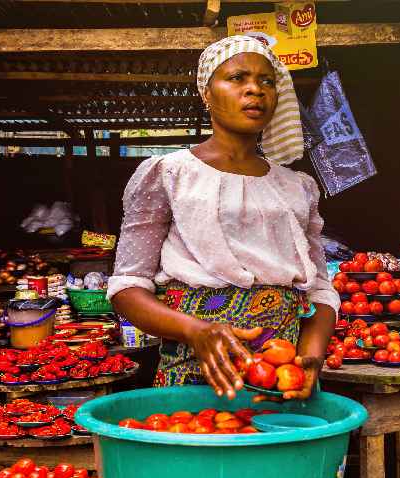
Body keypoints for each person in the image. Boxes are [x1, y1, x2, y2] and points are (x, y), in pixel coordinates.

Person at [107, 36, 339, 400]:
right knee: (198, 450)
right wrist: (197, 331)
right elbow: (127, 287)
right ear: (207, 93)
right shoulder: (168, 174)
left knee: (280, 456)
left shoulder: (297, 187)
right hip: (194, 370)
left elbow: (321, 290)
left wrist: (310, 355)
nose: (255, 90)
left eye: (266, 81)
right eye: (237, 78)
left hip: (282, 377)